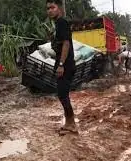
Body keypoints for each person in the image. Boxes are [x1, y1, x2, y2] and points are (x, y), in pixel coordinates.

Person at [47, 0, 77, 135]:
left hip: (65, 64)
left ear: (59, 9)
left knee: (62, 94)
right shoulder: (57, 25)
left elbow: (66, 44)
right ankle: (69, 123)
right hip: (63, 63)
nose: (50, 10)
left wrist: (61, 64)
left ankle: (72, 124)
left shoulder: (61, 22)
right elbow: (59, 44)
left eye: (52, 7)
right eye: (48, 8)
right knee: (62, 94)